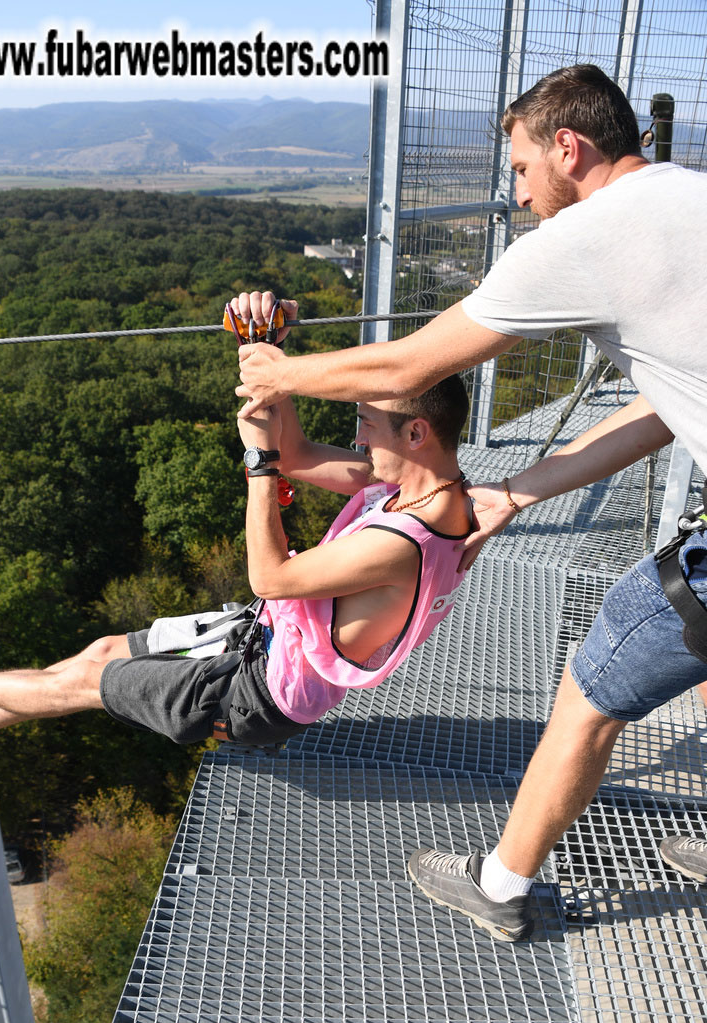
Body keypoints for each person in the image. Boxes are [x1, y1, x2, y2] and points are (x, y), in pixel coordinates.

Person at [234, 64, 707, 939]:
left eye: (522, 170)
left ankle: (500, 885)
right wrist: (520, 492)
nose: (519, 196)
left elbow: (411, 368)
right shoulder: (692, 198)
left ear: (569, 147)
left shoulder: (591, 234)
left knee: (596, 685)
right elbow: (665, 411)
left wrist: (279, 371)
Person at [0, 298, 473, 747]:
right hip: (260, 640)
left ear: (414, 433)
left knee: (84, 683)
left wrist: (259, 462)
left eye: (365, 423)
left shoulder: (406, 542)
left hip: (256, 693)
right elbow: (297, 453)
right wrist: (264, 353)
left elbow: (271, 578)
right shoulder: (412, 491)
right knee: (103, 650)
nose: (360, 441)